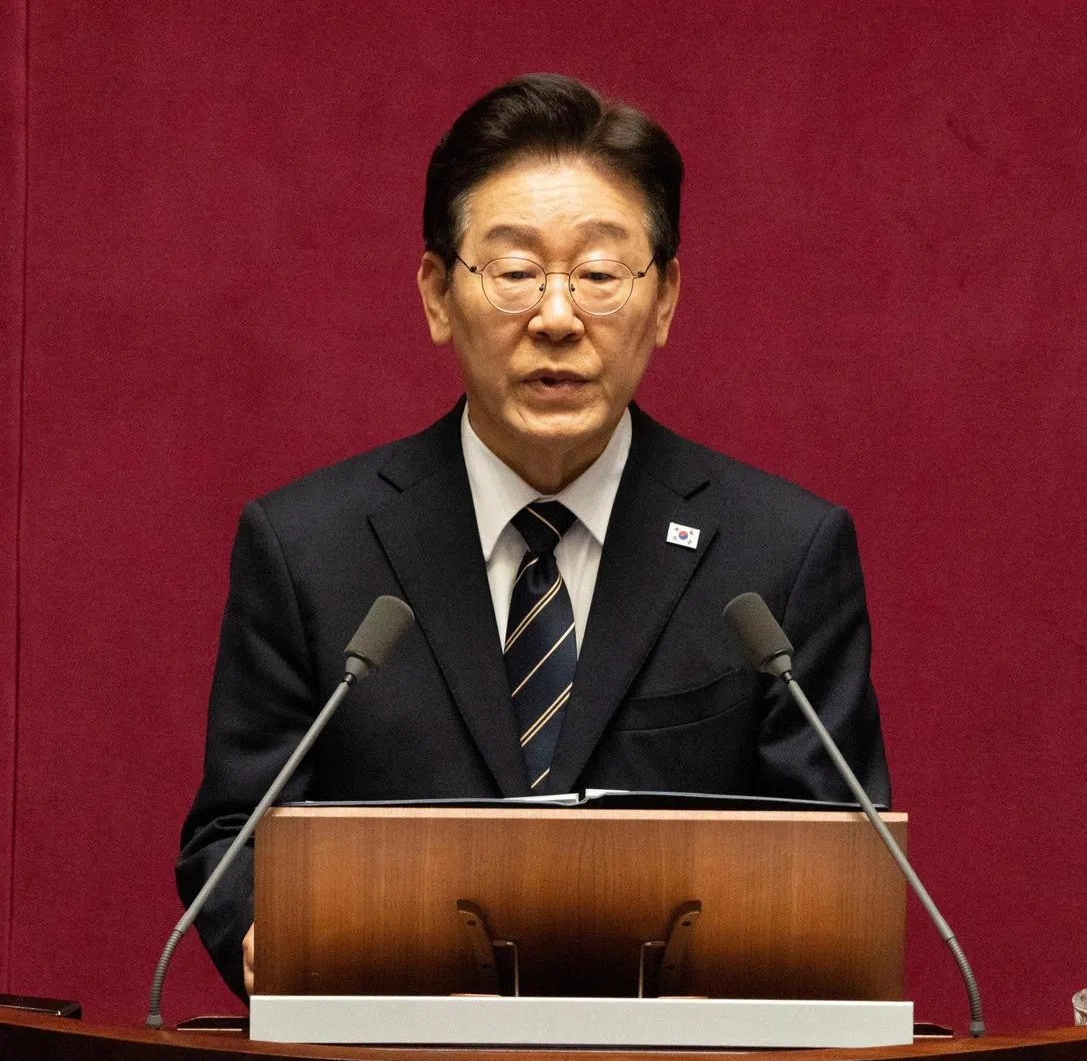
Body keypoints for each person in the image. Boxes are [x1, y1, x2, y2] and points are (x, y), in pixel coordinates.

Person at [176, 73, 889, 1000]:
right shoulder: (309, 547)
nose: (557, 319)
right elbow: (234, 833)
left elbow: (842, 854)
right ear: (438, 295)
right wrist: (268, 932)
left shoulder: (780, 555)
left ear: (665, 299)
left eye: (599, 274)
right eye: (514, 273)